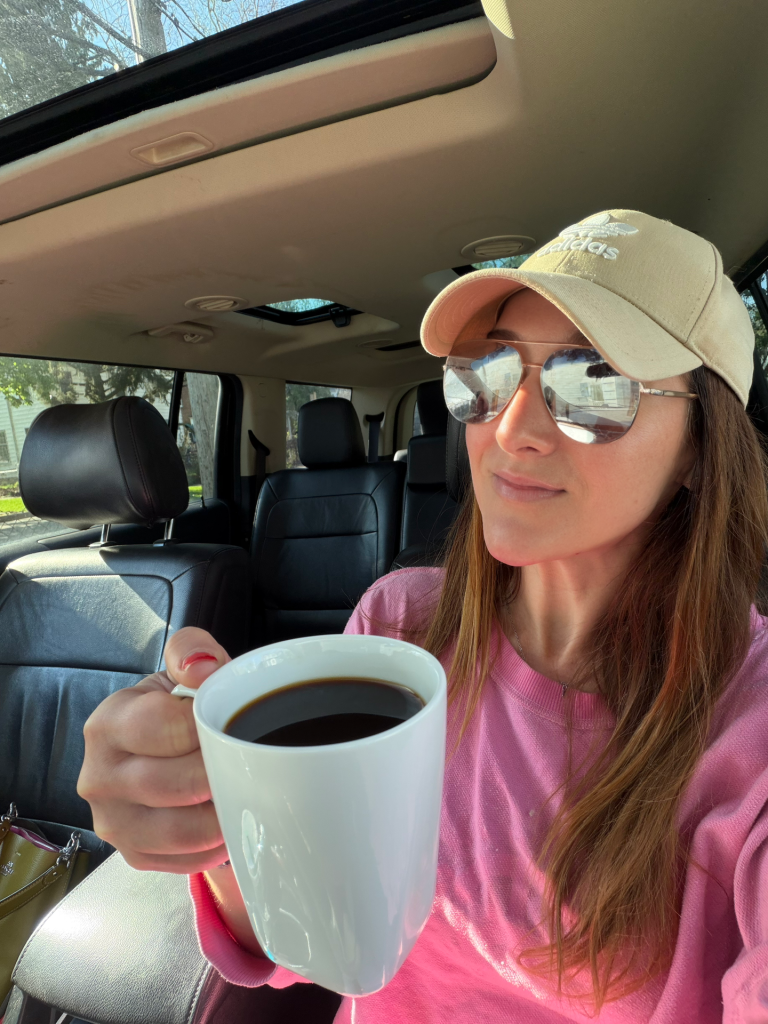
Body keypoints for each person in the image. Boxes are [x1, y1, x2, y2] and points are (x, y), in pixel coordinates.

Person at [77, 210, 768, 1022]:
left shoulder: (748, 734)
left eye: (595, 383)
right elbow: (316, 932)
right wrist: (216, 817)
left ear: (699, 448)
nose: (511, 426)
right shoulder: (398, 627)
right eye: (490, 371)